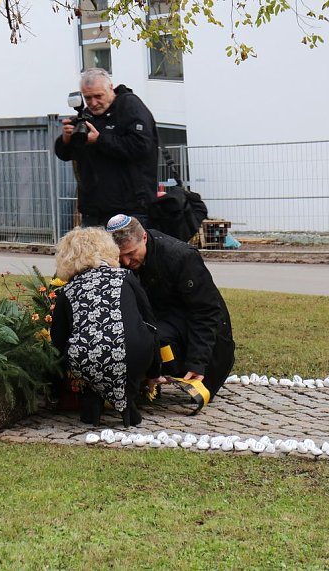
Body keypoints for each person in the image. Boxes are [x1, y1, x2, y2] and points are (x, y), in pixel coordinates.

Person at [106, 214, 235, 408]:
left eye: (131, 254)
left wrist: (198, 362)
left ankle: (167, 369)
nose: (125, 262)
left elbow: (206, 312)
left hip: (202, 334)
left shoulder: (181, 257)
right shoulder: (124, 260)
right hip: (165, 321)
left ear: (144, 238)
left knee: (156, 337)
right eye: (120, 256)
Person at [49, 227, 160, 427]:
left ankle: (93, 403)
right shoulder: (125, 277)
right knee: (137, 341)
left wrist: (56, 387)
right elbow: (150, 323)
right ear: (109, 249)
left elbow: (58, 339)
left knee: (92, 363)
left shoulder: (68, 290)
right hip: (133, 354)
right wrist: (154, 372)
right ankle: (127, 405)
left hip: (86, 359)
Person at [54, 68, 159, 228]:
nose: (93, 103)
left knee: (128, 246)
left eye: (98, 96)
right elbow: (65, 154)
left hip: (130, 209)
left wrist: (100, 140)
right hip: (93, 211)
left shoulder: (129, 106)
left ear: (111, 88)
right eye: (88, 98)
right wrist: (66, 140)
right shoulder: (87, 116)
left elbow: (141, 146)